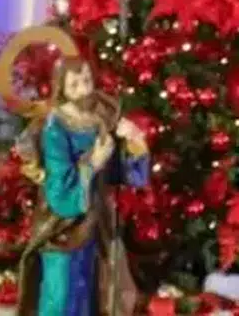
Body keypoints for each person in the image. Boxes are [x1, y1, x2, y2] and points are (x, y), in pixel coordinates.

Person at [17, 55, 149, 316]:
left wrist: (134, 142)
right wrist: (93, 163)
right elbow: (59, 184)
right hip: (63, 224)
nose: (84, 88)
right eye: (75, 84)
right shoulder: (55, 126)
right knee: (61, 293)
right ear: (62, 87)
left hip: (95, 221)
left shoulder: (99, 119)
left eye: (87, 80)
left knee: (91, 290)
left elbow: (118, 173)